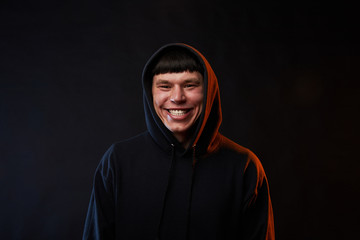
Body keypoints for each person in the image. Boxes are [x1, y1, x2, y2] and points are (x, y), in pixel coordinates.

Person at [82, 43, 275, 240]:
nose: (177, 98)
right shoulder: (118, 162)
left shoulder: (243, 166)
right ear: (151, 93)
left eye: (190, 85)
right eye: (165, 86)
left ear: (208, 91)